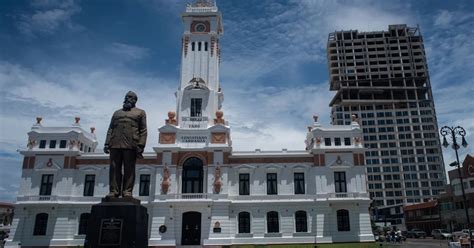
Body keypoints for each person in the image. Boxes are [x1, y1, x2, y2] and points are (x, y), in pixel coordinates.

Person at [104, 91, 147, 197]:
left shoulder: (140, 112)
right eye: (126, 97)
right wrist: (107, 143)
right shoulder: (117, 113)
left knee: (129, 168)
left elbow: (143, 130)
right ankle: (114, 191)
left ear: (134, 100)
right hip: (115, 143)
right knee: (114, 168)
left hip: (131, 144)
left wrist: (141, 145)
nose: (127, 98)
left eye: (130, 97)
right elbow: (110, 128)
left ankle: (127, 191)